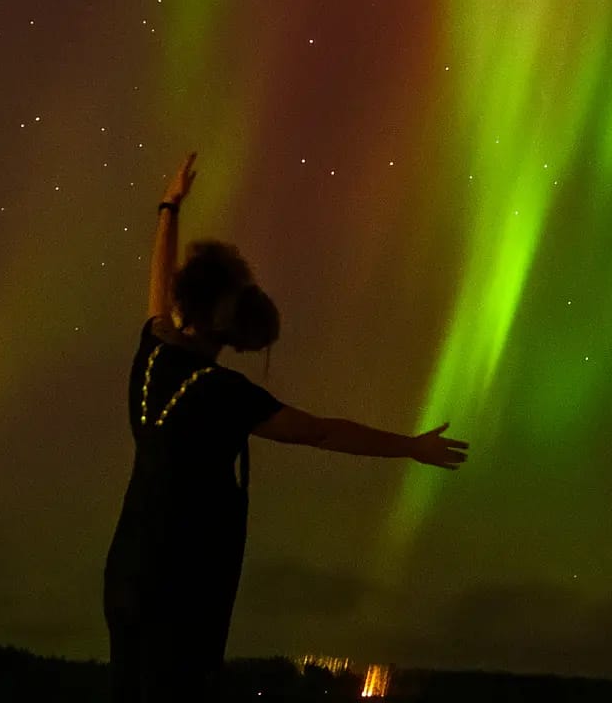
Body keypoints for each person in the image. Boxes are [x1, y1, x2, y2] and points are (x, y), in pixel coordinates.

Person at [104, 152, 469, 701]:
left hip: (127, 569)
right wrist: (409, 447)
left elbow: (158, 291)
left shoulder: (153, 356)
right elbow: (321, 432)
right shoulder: (225, 395)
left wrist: (169, 207)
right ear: (234, 335)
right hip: (183, 582)